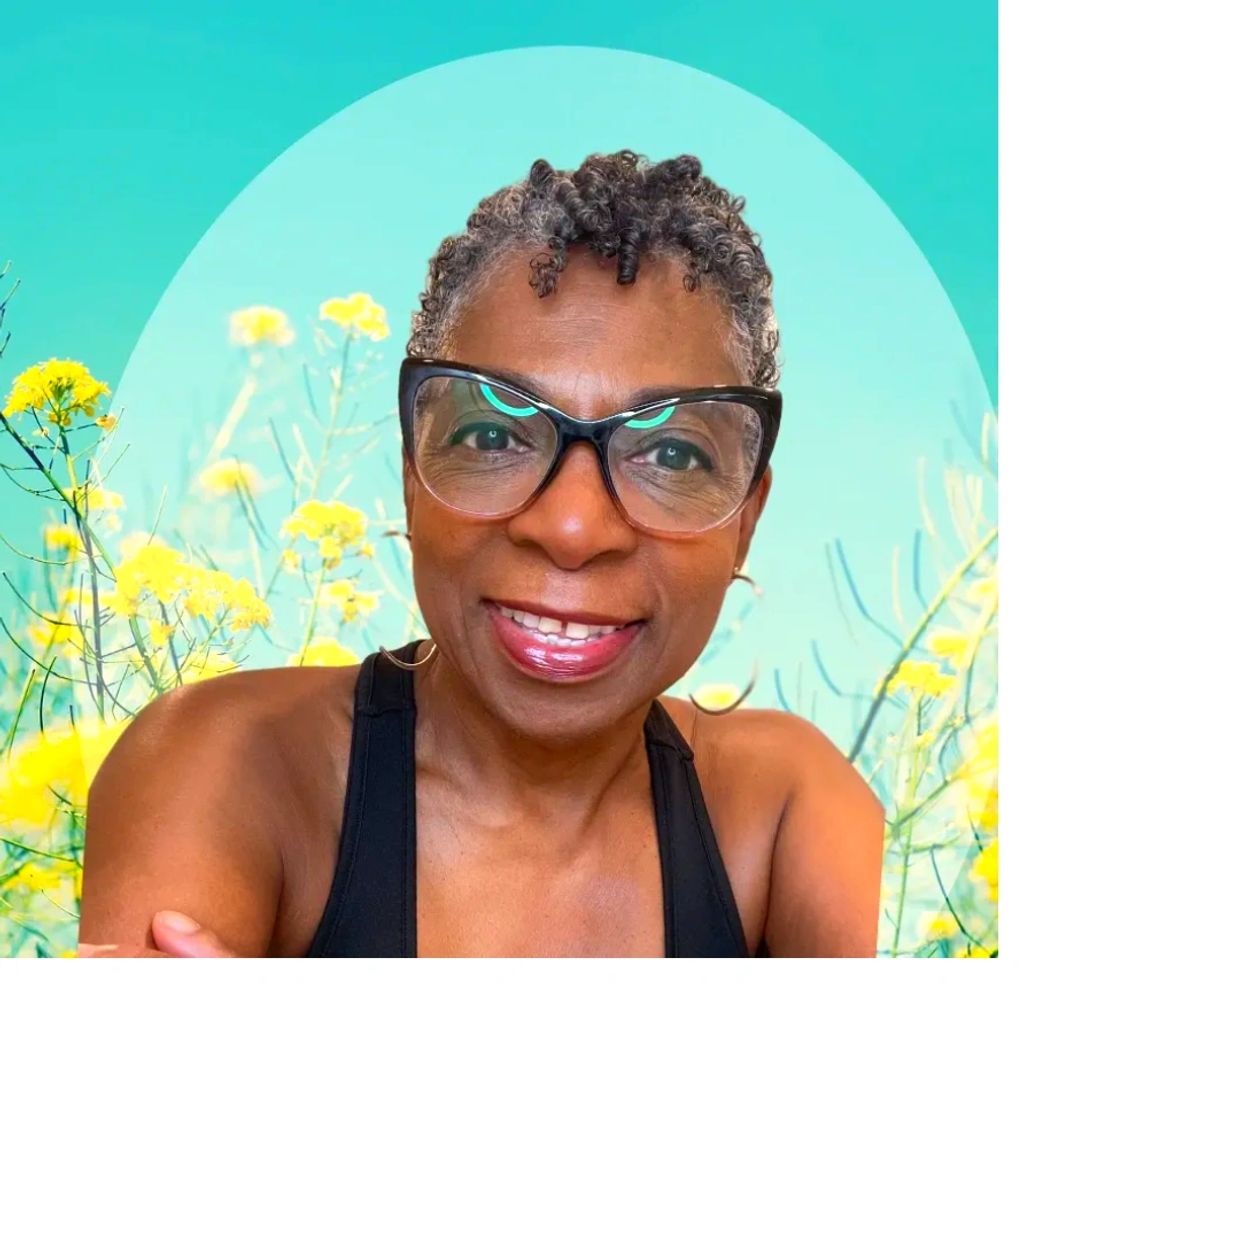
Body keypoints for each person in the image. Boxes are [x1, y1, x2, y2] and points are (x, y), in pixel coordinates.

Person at [79, 151, 883, 958]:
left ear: (748, 516)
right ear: (409, 474)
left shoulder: (793, 813)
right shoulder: (226, 765)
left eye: (672, 455)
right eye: (492, 434)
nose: (572, 528)